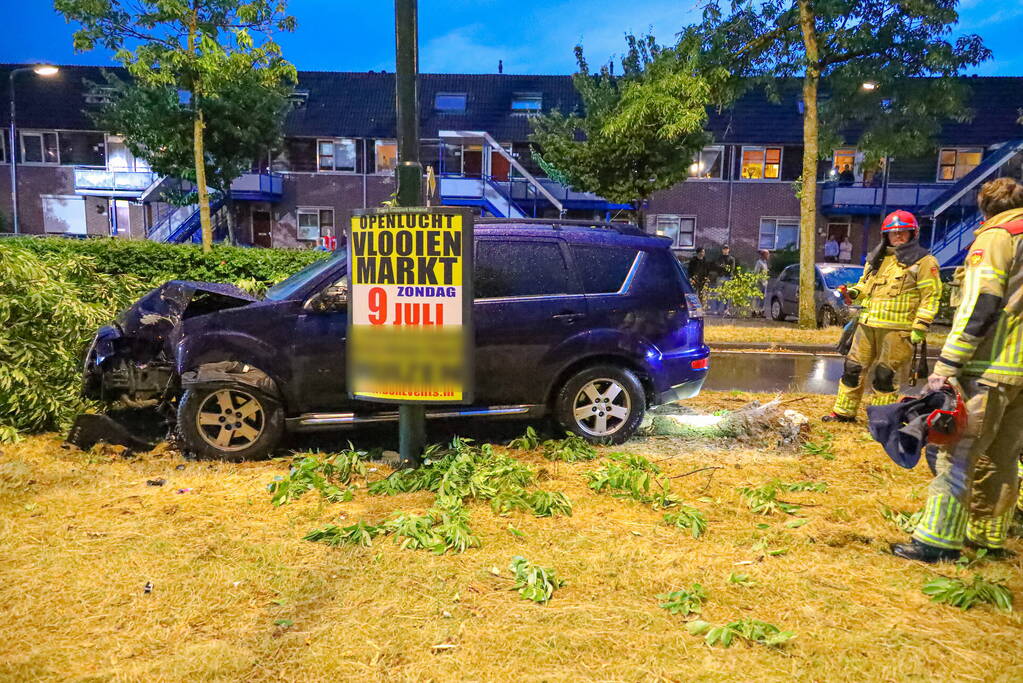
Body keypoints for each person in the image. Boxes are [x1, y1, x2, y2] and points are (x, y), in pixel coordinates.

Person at [892, 178, 1023, 563]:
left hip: (989, 366)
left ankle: (937, 542)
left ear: (985, 208)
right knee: (1004, 456)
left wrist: (947, 364)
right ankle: (988, 537)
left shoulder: (998, 237)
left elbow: (981, 304)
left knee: (958, 454)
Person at [823, 210, 941, 423]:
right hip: (867, 324)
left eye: (903, 233)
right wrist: (852, 293)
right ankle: (843, 412)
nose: (897, 237)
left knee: (885, 375)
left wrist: (920, 326)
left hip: (898, 329)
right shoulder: (876, 259)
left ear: (913, 233)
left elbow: (931, 296)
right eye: (893, 233)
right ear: (885, 235)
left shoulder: (924, 262)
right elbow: (864, 286)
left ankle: (880, 420)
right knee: (852, 368)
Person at [711, 245, 737, 316]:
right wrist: (724, 267)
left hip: (728, 277)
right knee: (719, 294)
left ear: (728, 250)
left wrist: (723, 267)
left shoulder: (731, 259)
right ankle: (717, 310)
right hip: (720, 277)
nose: (725, 250)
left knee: (727, 295)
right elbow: (717, 266)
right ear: (722, 250)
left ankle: (726, 310)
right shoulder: (719, 258)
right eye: (724, 249)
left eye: (726, 249)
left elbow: (732, 269)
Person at [752, 249, 770, 316]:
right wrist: (759, 281)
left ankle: (761, 312)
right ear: (763, 255)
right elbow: (756, 273)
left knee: (763, 298)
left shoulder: (765, 262)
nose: (768, 256)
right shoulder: (759, 262)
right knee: (756, 297)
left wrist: (765, 281)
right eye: (767, 254)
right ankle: (753, 311)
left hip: (764, 283)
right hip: (759, 283)